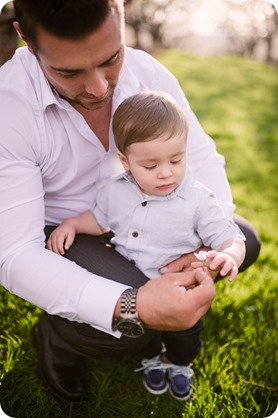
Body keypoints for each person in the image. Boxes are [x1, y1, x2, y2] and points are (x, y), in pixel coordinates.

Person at [0, 0, 260, 404]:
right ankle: (58, 337)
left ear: (120, 16)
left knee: (243, 240)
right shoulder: (8, 104)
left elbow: (203, 158)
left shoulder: (148, 71)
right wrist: (131, 304)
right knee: (133, 322)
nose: (100, 88)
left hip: (150, 208)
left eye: (111, 58)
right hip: (70, 229)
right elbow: (15, 254)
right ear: (26, 40)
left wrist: (203, 248)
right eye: (69, 71)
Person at [47, 91, 246, 400]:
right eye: (150, 166)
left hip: (182, 290)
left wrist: (229, 254)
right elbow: (99, 221)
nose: (166, 172)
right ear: (126, 162)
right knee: (147, 332)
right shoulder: (116, 191)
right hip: (136, 285)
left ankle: (180, 364)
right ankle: (152, 358)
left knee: (184, 335)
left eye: (176, 160)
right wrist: (72, 224)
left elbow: (230, 234)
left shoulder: (197, 199)